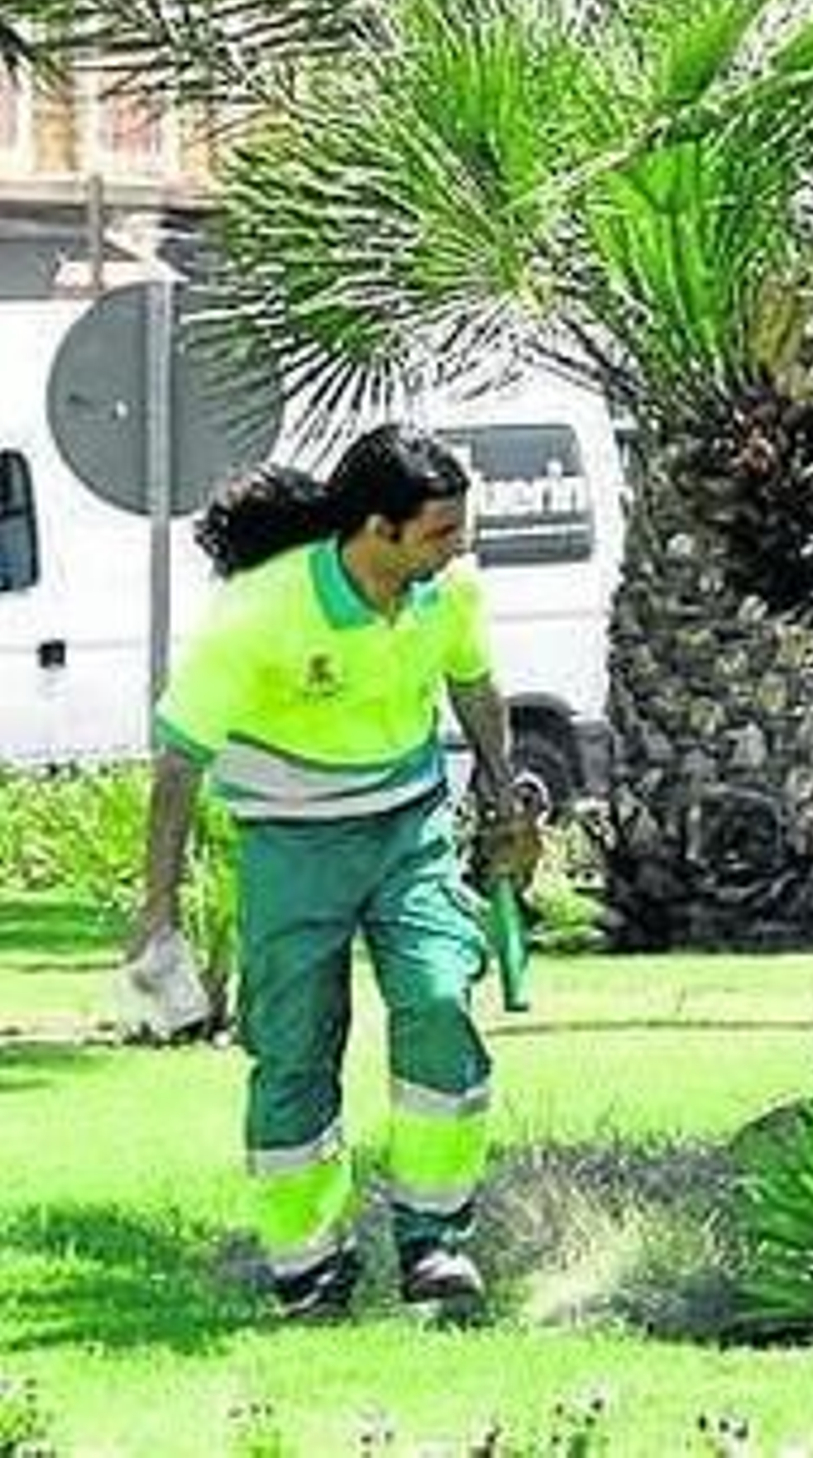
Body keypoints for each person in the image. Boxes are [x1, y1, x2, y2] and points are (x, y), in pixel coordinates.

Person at [128, 425, 532, 1320]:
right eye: (440, 532)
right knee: (295, 1052)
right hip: (291, 846)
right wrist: (157, 909)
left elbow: (472, 684)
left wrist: (503, 793)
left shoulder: (447, 591)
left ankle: (435, 1243)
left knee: (438, 1002)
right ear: (377, 529)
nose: (458, 548)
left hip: (409, 833)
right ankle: (309, 1264)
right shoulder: (259, 612)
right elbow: (180, 762)